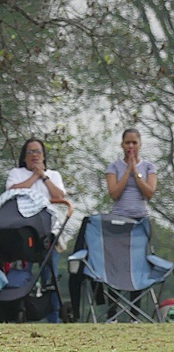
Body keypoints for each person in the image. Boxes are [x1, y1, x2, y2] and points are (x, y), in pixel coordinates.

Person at [69, 128, 158, 320]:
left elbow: (149, 193)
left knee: (136, 265)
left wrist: (137, 172)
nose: (131, 147)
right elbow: (114, 193)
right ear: (122, 145)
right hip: (118, 222)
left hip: (139, 223)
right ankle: (113, 312)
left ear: (140, 144)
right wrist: (128, 171)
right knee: (114, 266)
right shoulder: (113, 167)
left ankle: (135, 314)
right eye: (127, 143)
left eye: (134, 143)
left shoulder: (149, 167)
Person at [4, 138, 66, 323]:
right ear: (24, 156)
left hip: (48, 234)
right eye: (30, 152)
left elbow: (60, 196)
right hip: (23, 234)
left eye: (38, 152)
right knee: (23, 275)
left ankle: (53, 320)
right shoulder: (17, 173)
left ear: (44, 155)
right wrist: (34, 177)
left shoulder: (53, 175)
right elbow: (11, 192)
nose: (35, 156)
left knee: (50, 279)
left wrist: (44, 177)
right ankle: (19, 316)